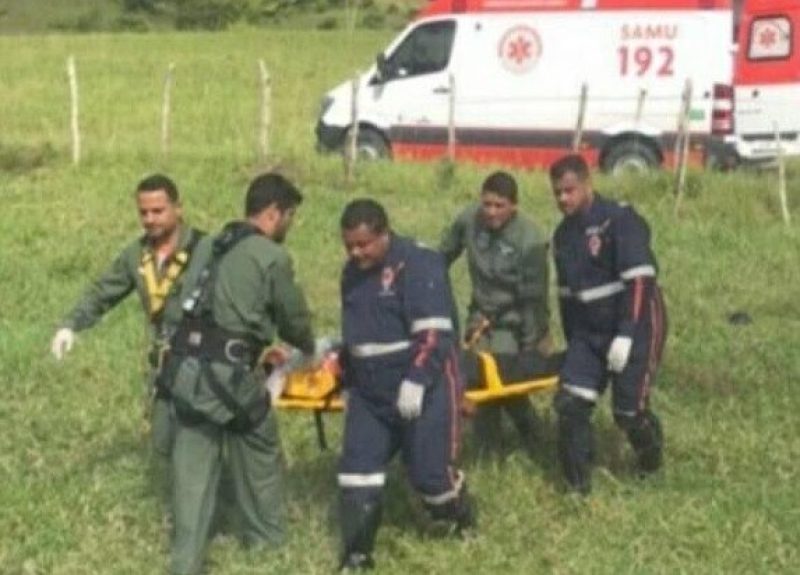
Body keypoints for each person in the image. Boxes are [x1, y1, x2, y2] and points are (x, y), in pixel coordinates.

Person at [160, 172, 315, 575]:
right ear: (273, 213)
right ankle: (267, 545)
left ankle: (185, 562)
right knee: (259, 441)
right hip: (229, 378)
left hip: (186, 372)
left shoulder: (208, 244)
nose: (289, 226)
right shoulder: (271, 256)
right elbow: (292, 319)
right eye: (290, 217)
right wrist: (310, 347)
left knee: (192, 469)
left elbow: (180, 306)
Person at [337, 198, 475, 571]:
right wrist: (343, 374)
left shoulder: (419, 263)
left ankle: (461, 518)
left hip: (423, 384)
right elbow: (356, 336)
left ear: (384, 233)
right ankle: (357, 555)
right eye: (349, 244)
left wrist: (416, 379)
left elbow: (434, 333)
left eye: (363, 244)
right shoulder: (352, 273)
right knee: (357, 475)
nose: (355, 252)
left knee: (430, 478)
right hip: (370, 391)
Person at [50, 173, 203, 466]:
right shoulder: (137, 255)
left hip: (202, 361)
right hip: (163, 363)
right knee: (163, 442)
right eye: (143, 212)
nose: (150, 219)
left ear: (178, 208)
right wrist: (70, 325)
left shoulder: (203, 249)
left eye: (158, 211)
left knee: (199, 446)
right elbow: (103, 292)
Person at [549, 154, 667, 494]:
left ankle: (650, 461)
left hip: (637, 321)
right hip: (589, 332)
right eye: (557, 193)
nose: (563, 199)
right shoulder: (562, 236)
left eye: (569, 191)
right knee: (570, 404)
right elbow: (567, 297)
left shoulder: (619, 220)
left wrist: (627, 334)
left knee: (628, 413)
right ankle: (577, 491)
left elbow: (641, 281)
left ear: (587, 184)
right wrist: (575, 348)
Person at [439, 171, 550, 457]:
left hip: (514, 323)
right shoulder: (468, 220)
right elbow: (440, 257)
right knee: (477, 382)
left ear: (514, 206)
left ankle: (537, 442)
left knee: (508, 386)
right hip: (479, 320)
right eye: (486, 204)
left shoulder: (530, 238)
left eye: (499, 205)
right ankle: (490, 452)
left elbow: (534, 298)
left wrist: (531, 346)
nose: (491, 212)